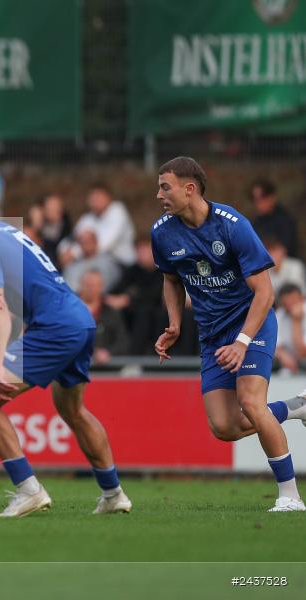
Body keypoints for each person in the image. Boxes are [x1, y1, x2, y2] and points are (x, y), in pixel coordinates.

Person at [0, 167, 131, 517]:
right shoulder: (8, 231)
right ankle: (114, 493)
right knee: (73, 410)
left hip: (55, 326)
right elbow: (31, 288)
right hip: (79, 320)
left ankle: (29, 489)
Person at [151, 156, 306, 512]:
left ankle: (290, 496)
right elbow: (171, 280)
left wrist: (242, 342)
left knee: (251, 403)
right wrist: (175, 324)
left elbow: (265, 293)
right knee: (224, 427)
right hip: (212, 334)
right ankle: (296, 408)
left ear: (189, 189)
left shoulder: (233, 225)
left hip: (251, 323)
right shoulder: (161, 232)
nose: (159, 194)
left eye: (165, 186)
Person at [104, 238, 168, 355]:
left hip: (155, 311)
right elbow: (117, 289)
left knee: (143, 313)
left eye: (145, 251)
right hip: (131, 310)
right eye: (139, 251)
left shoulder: (162, 271)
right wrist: (110, 299)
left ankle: (135, 356)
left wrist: (128, 299)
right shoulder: (132, 270)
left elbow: (154, 296)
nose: (141, 254)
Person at [67, 184, 136, 267]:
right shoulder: (87, 217)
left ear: (108, 197)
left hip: (120, 263)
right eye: (92, 198)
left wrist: (74, 253)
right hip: (90, 260)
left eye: (98, 197)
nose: (94, 200)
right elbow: (71, 238)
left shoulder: (118, 211)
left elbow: (104, 245)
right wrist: (65, 252)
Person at [77, 270, 129, 365]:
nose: (91, 289)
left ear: (101, 286)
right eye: (88, 284)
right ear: (81, 285)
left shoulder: (111, 313)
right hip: (75, 365)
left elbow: (122, 341)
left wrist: (109, 352)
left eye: (94, 285)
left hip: (105, 368)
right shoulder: (70, 312)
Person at [251, 179, 299, 259]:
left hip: (284, 263)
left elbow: (284, 249)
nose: (258, 203)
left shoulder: (285, 220)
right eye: (255, 199)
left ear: (272, 197)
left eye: (262, 198)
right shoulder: (255, 221)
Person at [275, 284, 306, 374]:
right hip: (288, 364)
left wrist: (295, 321)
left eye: (293, 300)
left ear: (301, 298)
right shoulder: (279, 316)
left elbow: (302, 353)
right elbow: (274, 345)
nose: (290, 305)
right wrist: (282, 355)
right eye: (286, 302)